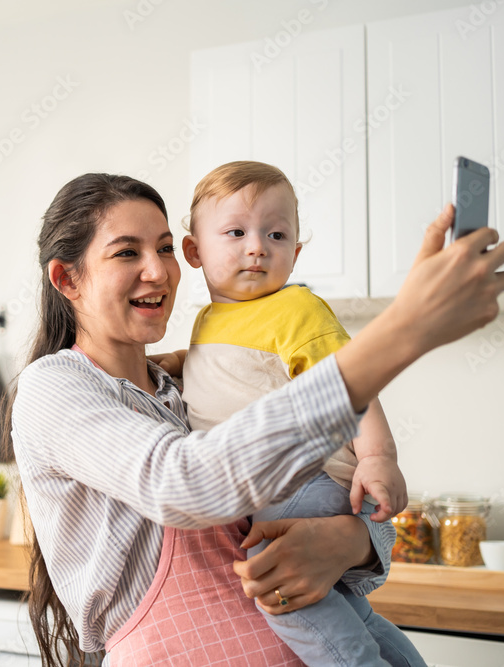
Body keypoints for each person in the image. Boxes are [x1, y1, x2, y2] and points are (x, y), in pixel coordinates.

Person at [7, 173, 504, 666]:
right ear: (66, 278)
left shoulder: (194, 387)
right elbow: (183, 481)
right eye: (127, 252)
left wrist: (350, 542)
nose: (159, 271)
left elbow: (354, 496)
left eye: (165, 247)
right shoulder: (54, 388)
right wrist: (401, 333)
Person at [179, 161, 421, 665]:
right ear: (194, 251)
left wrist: (378, 457)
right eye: (236, 232)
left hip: (304, 480)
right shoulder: (212, 319)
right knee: (349, 608)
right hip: (280, 486)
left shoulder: (297, 309)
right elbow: (236, 369)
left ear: (296, 251)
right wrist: (178, 363)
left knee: (274, 576)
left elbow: (355, 384)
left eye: (276, 233)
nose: (257, 246)